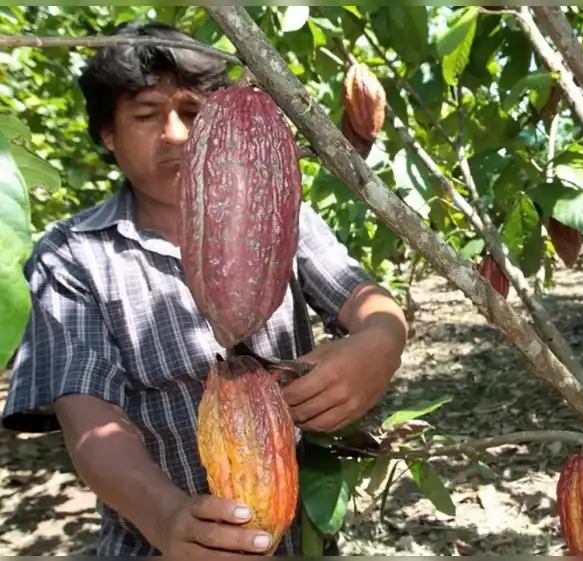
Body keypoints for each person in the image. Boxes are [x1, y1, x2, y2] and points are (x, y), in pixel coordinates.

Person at [0, 21, 408, 556]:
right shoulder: (72, 253)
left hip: (296, 538)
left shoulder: (275, 212)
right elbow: (88, 417)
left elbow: (365, 299)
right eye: (146, 115)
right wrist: (164, 514)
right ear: (107, 134)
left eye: (192, 112)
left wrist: (381, 341)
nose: (175, 134)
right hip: (159, 544)